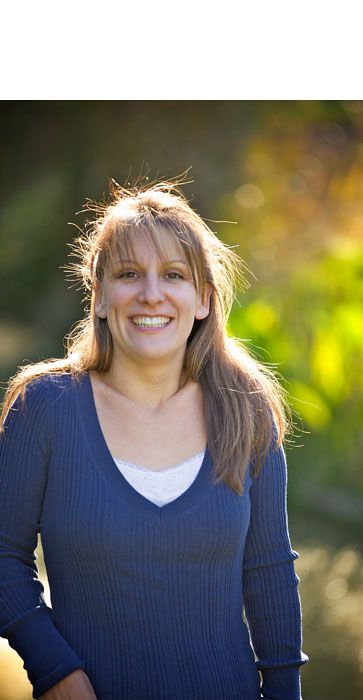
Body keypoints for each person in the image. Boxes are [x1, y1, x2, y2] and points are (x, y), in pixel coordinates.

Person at [0, 175, 308, 700]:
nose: (151, 293)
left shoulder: (246, 410)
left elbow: (269, 575)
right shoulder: (43, 408)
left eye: (173, 275)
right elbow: (4, 555)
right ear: (98, 298)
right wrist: (54, 669)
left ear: (204, 299)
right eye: (128, 274)